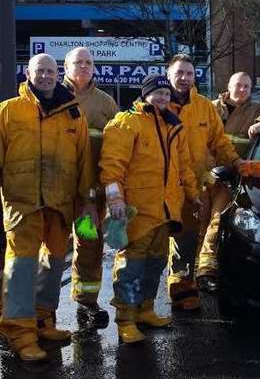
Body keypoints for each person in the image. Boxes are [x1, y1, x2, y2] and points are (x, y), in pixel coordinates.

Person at [0, 54, 95, 362]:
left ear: (58, 75)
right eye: (39, 70)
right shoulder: (8, 111)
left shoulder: (74, 114)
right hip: (22, 204)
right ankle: (19, 332)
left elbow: (84, 164)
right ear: (28, 73)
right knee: (21, 269)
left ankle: (43, 321)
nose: (45, 76)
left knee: (53, 265)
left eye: (50, 71)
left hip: (60, 204)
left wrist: (88, 201)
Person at [100, 74, 200, 344]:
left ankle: (145, 309)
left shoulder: (173, 127)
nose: (163, 98)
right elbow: (111, 167)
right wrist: (115, 200)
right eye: (158, 94)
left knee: (155, 263)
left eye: (166, 95)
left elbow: (184, 165)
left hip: (165, 211)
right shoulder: (126, 123)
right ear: (145, 95)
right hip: (136, 211)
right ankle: (126, 319)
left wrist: (193, 194)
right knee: (132, 265)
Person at [196, 72, 260, 289]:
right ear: (228, 87)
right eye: (238, 85)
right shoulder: (210, 107)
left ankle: (206, 271)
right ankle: (190, 274)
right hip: (202, 174)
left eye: (247, 87)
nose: (242, 90)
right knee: (197, 222)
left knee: (216, 222)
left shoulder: (256, 109)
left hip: (229, 177)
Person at [164, 54, 242, 309]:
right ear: (168, 74)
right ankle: (139, 303)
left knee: (187, 236)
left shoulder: (204, 107)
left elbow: (219, 141)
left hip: (195, 182)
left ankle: (184, 291)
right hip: (163, 184)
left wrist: (236, 163)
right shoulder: (157, 104)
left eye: (189, 73)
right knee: (156, 242)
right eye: (179, 73)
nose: (184, 78)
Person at [63, 46, 119, 327]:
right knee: (47, 249)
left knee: (89, 245)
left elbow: (116, 148)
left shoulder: (106, 104)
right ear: (66, 66)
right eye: (78, 62)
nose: (83, 66)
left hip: (90, 195)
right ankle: (39, 311)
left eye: (88, 62)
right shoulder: (52, 97)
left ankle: (86, 303)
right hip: (55, 191)